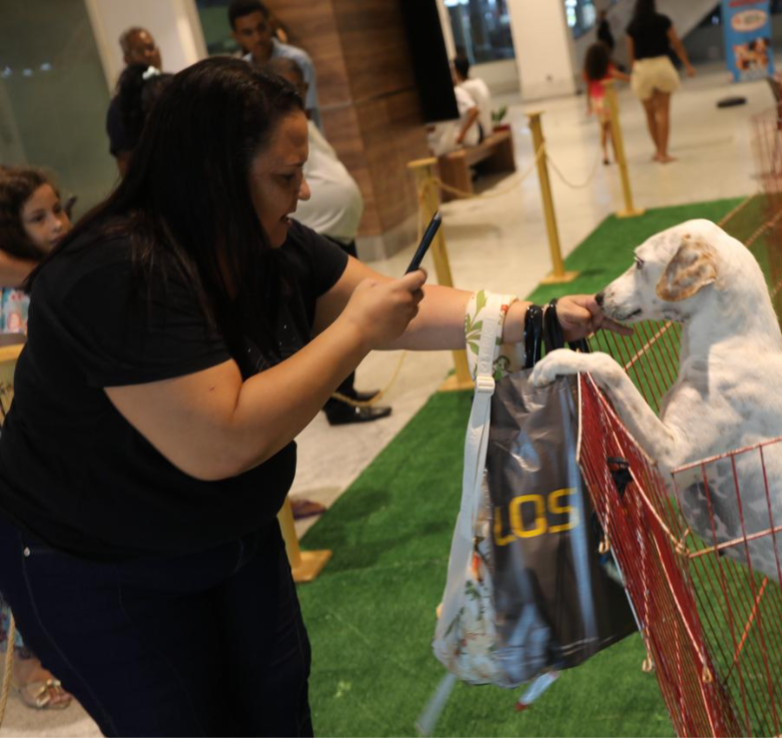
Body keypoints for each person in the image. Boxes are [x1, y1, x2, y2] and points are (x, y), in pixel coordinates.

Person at [0, 57, 620, 736]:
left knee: (280, 705)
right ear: (213, 175)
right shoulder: (116, 272)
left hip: (226, 533)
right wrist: (355, 332)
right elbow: (223, 440)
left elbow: (393, 303)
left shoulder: (265, 241)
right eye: (284, 176)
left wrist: (536, 317)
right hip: (100, 562)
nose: (302, 192)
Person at [267, 58, 388, 427]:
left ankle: (343, 393)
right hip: (318, 230)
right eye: (288, 177)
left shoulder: (300, 123)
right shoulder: (274, 132)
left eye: (300, 86)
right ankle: (337, 402)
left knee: (353, 308)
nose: (302, 189)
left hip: (330, 232)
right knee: (332, 324)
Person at [0, 166, 74, 711]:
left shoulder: (58, 276)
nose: (58, 224)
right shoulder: (16, 298)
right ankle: (26, 656)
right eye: (38, 217)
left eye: (58, 209)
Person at [230, 0, 323, 130]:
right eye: (248, 32)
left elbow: (305, 114)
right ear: (236, 37)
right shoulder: (240, 72)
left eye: (261, 28)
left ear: (271, 25)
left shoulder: (298, 59)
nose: (257, 38)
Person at [625, 0, 696, 163]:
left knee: (649, 114)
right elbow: (677, 44)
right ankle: (664, 153)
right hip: (662, 66)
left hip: (642, 68)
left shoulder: (632, 26)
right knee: (663, 112)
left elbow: (631, 54)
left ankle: (657, 151)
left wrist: (635, 72)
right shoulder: (663, 21)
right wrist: (687, 65)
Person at [106, 27, 163, 173]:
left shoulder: (173, 87)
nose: (148, 54)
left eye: (150, 47)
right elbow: (126, 162)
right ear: (127, 59)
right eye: (139, 51)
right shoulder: (120, 107)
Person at [583, 42, 630, 165]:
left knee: (603, 129)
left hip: (596, 101)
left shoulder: (589, 70)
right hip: (608, 99)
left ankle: (605, 154)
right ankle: (616, 154)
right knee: (613, 128)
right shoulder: (607, 67)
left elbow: (588, 88)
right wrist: (630, 78)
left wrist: (589, 105)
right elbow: (617, 75)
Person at [453, 56, 493, 143]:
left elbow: (474, 111)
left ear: (456, 71)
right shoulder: (479, 81)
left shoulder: (462, 88)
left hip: (480, 132)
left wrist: (462, 134)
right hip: (488, 128)